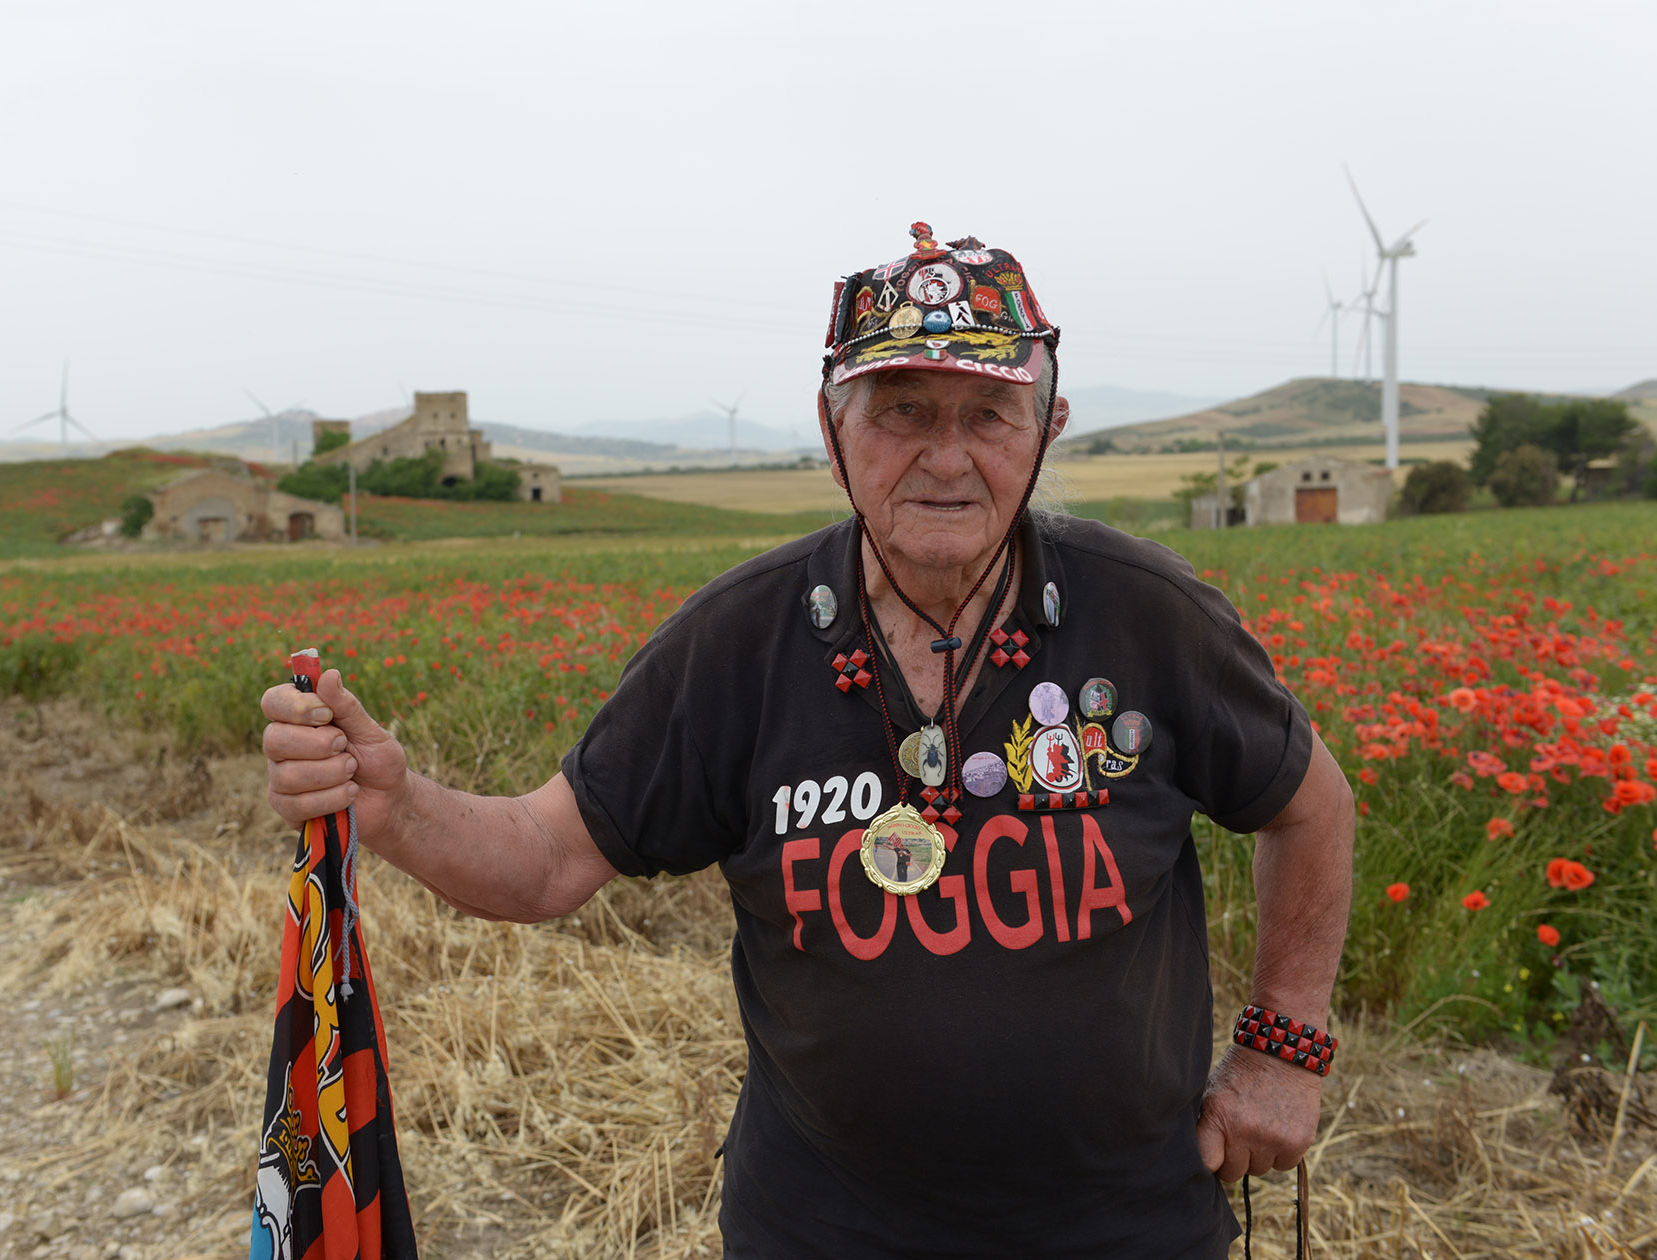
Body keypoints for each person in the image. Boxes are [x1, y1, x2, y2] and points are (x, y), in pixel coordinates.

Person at [261, 225, 1355, 1258]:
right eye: (902, 411)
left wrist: (1284, 1051)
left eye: (988, 414)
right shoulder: (736, 641)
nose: (946, 457)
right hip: (826, 1231)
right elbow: (546, 860)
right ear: (833, 433)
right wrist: (397, 810)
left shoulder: (1147, 616)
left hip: (1127, 1229)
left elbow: (1311, 806)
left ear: (1047, 432)